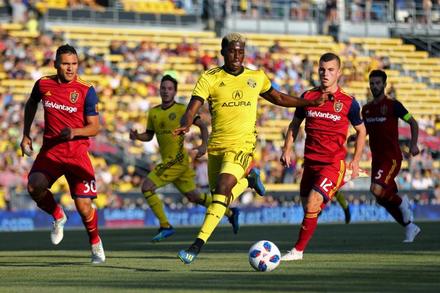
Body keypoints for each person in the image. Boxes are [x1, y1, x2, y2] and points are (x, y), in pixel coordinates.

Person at [174, 32, 326, 265]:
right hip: (217, 146)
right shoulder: (210, 77)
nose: (237, 55)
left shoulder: (256, 76)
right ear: (223, 52)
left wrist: (308, 102)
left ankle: (196, 245)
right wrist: (186, 122)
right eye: (232, 50)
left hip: (242, 145)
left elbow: (278, 98)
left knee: (223, 188)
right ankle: (249, 181)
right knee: (219, 197)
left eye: (241, 51)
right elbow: (194, 106)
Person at [20, 44, 105, 263]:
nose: (70, 68)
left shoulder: (87, 90)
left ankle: (96, 244)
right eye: (66, 64)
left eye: (74, 64)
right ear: (56, 64)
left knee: (84, 207)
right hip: (51, 152)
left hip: (77, 155)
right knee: (33, 185)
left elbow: (94, 127)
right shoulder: (43, 84)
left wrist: (74, 132)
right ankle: (58, 214)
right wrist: (26, 134)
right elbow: (31, 104)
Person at [129, 75, 240, 242]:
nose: (166, 91)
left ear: (175, 91)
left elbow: (202, 126)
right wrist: (138, 137)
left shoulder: (182, 110)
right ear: (159, 90)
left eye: (169, 88)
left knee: (146, 187)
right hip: (178, 163)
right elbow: (150, 135)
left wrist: (204, 146)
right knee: (194, 197)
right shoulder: (154, 112)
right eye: (163, 88)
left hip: (176, 161)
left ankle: (165, 226)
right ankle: (230, 212)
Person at [280, 52, 366, 261]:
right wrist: (287, 148)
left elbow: (362, 131)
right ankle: (335, 187)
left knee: (312, 203)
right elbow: (295, 124)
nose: (325, 74)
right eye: (322, 69)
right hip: (310, 163)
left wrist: (354, 161)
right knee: (309, 208)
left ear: (338, 73)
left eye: (330, 70)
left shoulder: (349, 102)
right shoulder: (308, 97)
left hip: (333, 163)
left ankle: (297, 251)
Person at [362, 69, 421, 242]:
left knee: (376, 189)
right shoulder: (366, 109)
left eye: (378, 83)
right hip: (377, 160)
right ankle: (410, 226)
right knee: (382, 199)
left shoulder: (393, 105)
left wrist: (413, 144)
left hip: (392, 158)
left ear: (385, 85)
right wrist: (355, 136)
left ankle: (403, 202)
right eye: (372, 83)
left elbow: (413, 122)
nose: (375, 86)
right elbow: (366, 129)